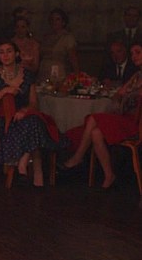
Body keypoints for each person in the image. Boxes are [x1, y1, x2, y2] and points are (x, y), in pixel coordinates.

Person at [59, 42, 142, 189]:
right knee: (96, 133)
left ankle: (77, 158)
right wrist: (123, 96)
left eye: (138, 52)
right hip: (125, 116)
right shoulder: (136, 76)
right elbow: (118, 95)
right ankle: (109, 175)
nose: (134, 56)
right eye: (132, 53)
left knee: (93, 118)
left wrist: (127, 96)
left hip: (136, 122)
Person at [0, 41, 67, 187]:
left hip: (25, 118)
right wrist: (4, 91)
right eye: (2, 52)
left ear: (16, 54)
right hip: (5, 122)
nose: (5, 55)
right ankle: (37, 172)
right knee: (35, 124)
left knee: (32, 121)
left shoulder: (27, 75)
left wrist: (24, 111)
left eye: (9, 51)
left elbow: (34, 103)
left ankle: (22, 164)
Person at [38, 8, 79, 82]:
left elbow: (73, 59)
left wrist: (77, 77)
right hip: (43, 73)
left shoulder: (68, 38)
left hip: (59, 74)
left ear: (63, 22)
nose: (54, 22)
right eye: (52, 19)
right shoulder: (46, 37)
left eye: (57, 19)